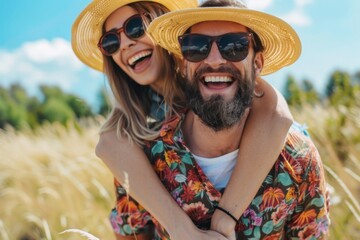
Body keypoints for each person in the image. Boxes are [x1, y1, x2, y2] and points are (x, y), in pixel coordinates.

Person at [72, 0, 296, 239]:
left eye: (135, 27)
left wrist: (224, 218)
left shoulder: (209, 72)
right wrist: (183, 230)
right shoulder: (136, 125)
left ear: (158, 22)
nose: (125, 44)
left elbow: (277, 115)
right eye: (111, 42)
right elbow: (107, 143)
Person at [143, 0, 330, 238]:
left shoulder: (299, 161)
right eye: (196, 47)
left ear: (257, 64)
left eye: (233, 46)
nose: (213, 60)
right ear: (184, 63)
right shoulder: (147, 153)